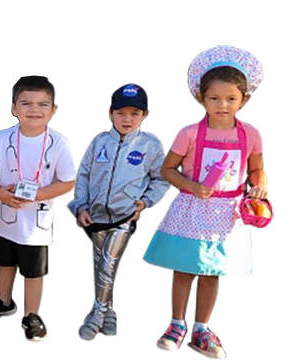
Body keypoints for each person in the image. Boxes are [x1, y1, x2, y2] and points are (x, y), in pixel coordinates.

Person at [143, 46, 267, 359]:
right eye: (214, 98)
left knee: (213, 271)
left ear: (244, 100)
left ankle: (202, 328)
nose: (222, 105)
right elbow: (167, 169)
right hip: (191, 209)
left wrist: (261, 185)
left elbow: (255, 168)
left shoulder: (251, 134)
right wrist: (192, 186)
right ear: (201, 98)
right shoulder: (190, 133)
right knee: (184, 271)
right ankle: (176, 324)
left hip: (227, 214)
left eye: (230, 98)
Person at [0, 75, 77, 343]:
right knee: (4, 262)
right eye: (26, 103)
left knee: (34, 272)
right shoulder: (1, 138)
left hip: (37, 222)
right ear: (13, 108)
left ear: (54, 110)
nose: (34, 110)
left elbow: (67, 182)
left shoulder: (60, 144)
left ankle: (32, 315)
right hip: (4, 215)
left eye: (43, 104)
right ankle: (2, 301)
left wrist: (36, 195)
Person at [69, 83, 169, 342]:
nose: (127, 119)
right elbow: (84, 177)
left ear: (144, 116)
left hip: (124, 218)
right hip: (96, 216)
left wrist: (146, 202)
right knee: (99, 266)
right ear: (111, 113)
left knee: (108, 267)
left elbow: (162, 179)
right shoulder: (99, 142)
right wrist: (79, 207)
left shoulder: (151, 145)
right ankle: (107, 313)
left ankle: (97, 315)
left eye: (135, 113)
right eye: (121, 112)